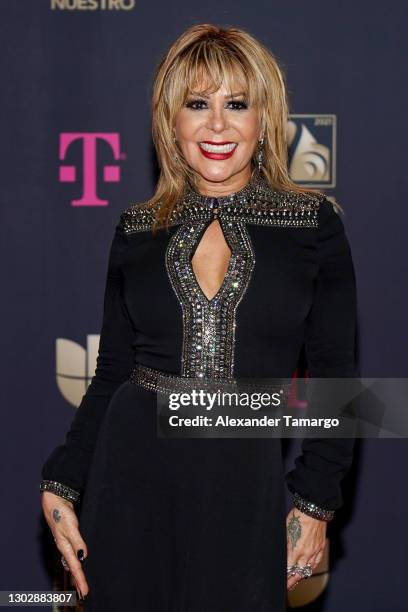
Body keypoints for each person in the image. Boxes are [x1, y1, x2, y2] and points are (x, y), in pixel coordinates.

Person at [40, 23, 358, 611]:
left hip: (243, 475)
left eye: (237, 104)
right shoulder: (136, 229)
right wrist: (63, 481)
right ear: (171, 120)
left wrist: (316, 503)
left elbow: (338, 382)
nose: (217, 125)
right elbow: (111, 374)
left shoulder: (313, 227)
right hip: (130, 473)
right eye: (197, 104)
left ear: (265, 120)